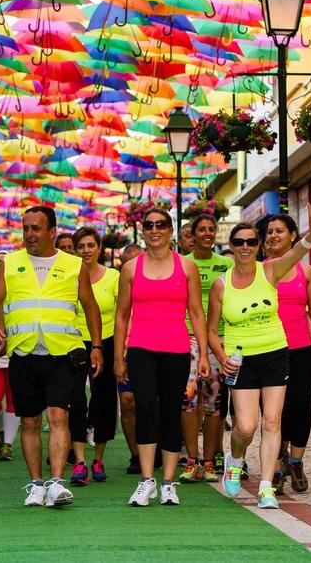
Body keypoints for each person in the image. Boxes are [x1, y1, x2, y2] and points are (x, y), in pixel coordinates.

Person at [0, 206, 104, 508]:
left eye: (36, 228)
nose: (29, 234)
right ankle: (36, 484)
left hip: (62, 352)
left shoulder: (74, 265)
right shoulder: (10, 263)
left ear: (52, 231)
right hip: (24, 353)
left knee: (58, 416)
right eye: (25, 228)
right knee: (29, 421)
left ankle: (56, 483)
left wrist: (97, 346)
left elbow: (90, 307)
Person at [209, 209, 311, 509]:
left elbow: (299, 251)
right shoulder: (221, 285)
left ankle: (266, 487)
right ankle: (235, 461)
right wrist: (222, 357)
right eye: (238, 242)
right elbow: (211, 330)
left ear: (258, 245)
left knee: (273, 421)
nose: (245, 247)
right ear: (231, 247)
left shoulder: (271, 271)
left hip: (275, 352)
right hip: (241, 359)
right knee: (246, 427)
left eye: (250, 242)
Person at [115, 208, 208, 506]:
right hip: (141, 346)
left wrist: (203, 353)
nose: (154, 229)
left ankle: (168, 483)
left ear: (171, 231)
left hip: (177, 347)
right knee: (144, 407)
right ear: (143, 230)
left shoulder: (187, 267)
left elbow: (196, 311)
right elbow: (121, 315)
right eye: (149, 225)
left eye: (161, 225)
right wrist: (119, 356)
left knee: (170, 411)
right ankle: (146, 480)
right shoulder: (131, 268)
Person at [263, 214, 311, 494]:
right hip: (268, 349)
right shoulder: (258, 270)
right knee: (273, 411)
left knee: (300, 407)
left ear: (292, 235)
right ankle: (275, 466)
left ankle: (296, 461)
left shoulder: (306, 272)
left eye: (279, 231)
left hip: (300, 348)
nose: (273, 235)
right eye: (269, 232)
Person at [180, 214, 232, 484]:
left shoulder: (227, 264)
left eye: (212, 229)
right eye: (202, 230)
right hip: (186, 336)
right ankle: (192, 459)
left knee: (213, 402)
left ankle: (210, 460)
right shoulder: (182, 263)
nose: (208, 233)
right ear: (194, 233)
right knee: (188, 399)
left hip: (218, 338)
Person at [69, 228, 120, 485]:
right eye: (81, 246)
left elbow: (123, 313)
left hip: (107, 341)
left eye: (91, 245)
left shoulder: (113, 276)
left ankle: (98, 458)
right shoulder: (69, 275)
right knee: (75, 399)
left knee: (104, 400)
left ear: (99, 248)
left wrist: (122, 348)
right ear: (75, 250)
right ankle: (79, 461)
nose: (86, 250)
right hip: (74, 341)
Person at [118, 242, 142, 472]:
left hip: (153, 349)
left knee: (154, 403)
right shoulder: (119, 285)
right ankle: (135, 454)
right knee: (128, 402)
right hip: (127, 351)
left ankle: (155, 449)